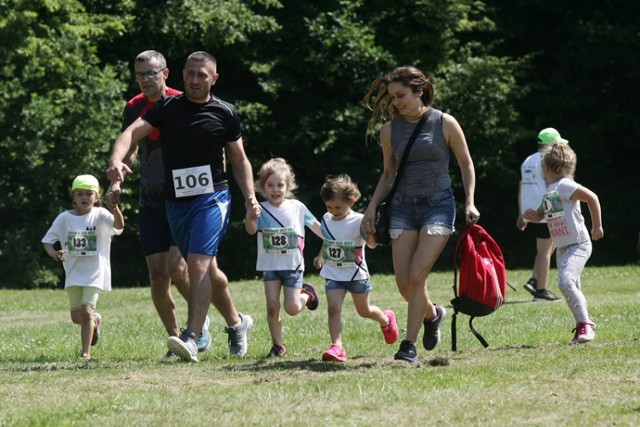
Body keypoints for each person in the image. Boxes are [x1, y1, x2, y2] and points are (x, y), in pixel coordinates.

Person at [107, 51, 258, 362]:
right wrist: (115, 163)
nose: (194, 80)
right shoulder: (167, 108)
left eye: (201, 75)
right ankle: (237, 323)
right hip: (173, 202)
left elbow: (239, 159)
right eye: (190, 74)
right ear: (182, 74)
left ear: (213, 79)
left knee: (195, 265)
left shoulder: (225, 112)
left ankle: (191, 336)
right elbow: (130, 135)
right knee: (207, 270)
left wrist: (250, 196)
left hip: (212, 197)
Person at [362, 66, 480, 363]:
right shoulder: (389, 130)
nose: (396, 102)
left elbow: (466, 164)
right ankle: (433, 313)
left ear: (419, 90)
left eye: (400, 95)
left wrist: (470, 202)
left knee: (417, 275)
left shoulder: (444, 122)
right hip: (402, 207)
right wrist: (372, 206)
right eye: (391, 98)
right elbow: (389, 173)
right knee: (405, 284)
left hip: (439, 205)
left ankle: (408, 346)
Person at [108, 50, 212, 359]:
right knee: (157, 275)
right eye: (140, 75)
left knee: (177, 268)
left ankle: (198, 322)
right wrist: (117, 179)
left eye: (151, 74)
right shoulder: (134, 107)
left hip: (184, 198)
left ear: (165, 73)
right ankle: (175, 339)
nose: (145, 81)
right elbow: (131, 147)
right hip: (150, 195)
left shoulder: (183, 102)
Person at [313, 174, 399, 362]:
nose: (333, 211)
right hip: (334, 273)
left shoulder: (359, 220)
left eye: (337, 207)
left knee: (364, 311)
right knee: (333, 309)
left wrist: (370, 233)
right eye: (329, 207)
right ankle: (337, 347)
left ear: (350, 201)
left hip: (356, 274)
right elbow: (328, 239)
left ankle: (386, 320)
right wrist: (321, 255)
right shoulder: (326, 219)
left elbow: (372, 245)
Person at [524, 142, 603, 344]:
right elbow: (542, 213)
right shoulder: (551, 190)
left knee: (564, 282)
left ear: (547, 168)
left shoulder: (565, 185)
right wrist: (530, 217)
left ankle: (586, 325)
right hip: (563, 247)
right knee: (572, 286)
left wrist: (597, 227)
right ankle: (581, 326)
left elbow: (592, 198)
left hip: (578, 244)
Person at [245, 158, 323, 357]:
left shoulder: (297, 207)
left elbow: (316, 227)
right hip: (270, 266)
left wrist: (333, 238)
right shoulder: (260, 210)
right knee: (272, 306)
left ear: (288, 186)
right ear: (263, 187)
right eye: (270, 185)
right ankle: (277, 345)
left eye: (280, 185)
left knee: (293, 308)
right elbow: (251, 231)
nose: (275, 189)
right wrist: (250, 217)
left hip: (292, 266)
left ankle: (307, 294)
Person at [42, 175, 124, 361]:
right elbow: (48, 241)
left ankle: (85, 353)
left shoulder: (101, 214)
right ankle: (95, 321)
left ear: (97, 196)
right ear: (73, 197)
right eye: (79, 194)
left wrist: (115, 209)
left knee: (86, 311)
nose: (84, 197)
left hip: (95, 272)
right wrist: (54, 253)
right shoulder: (64, 218)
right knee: (76, 317)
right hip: (73, 273)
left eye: (89, 193)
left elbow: (119, 226)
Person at [516, 128, 564, 302]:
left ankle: (535, 279)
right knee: (545, 250)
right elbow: (553, 186)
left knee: (550, 246)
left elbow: (522, 187)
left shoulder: (528, 160)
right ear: (552, 144)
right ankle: (541, 291)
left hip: (530, 208)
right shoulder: (548, 160)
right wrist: (558, 210)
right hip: (546, 209)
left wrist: (521, 213)